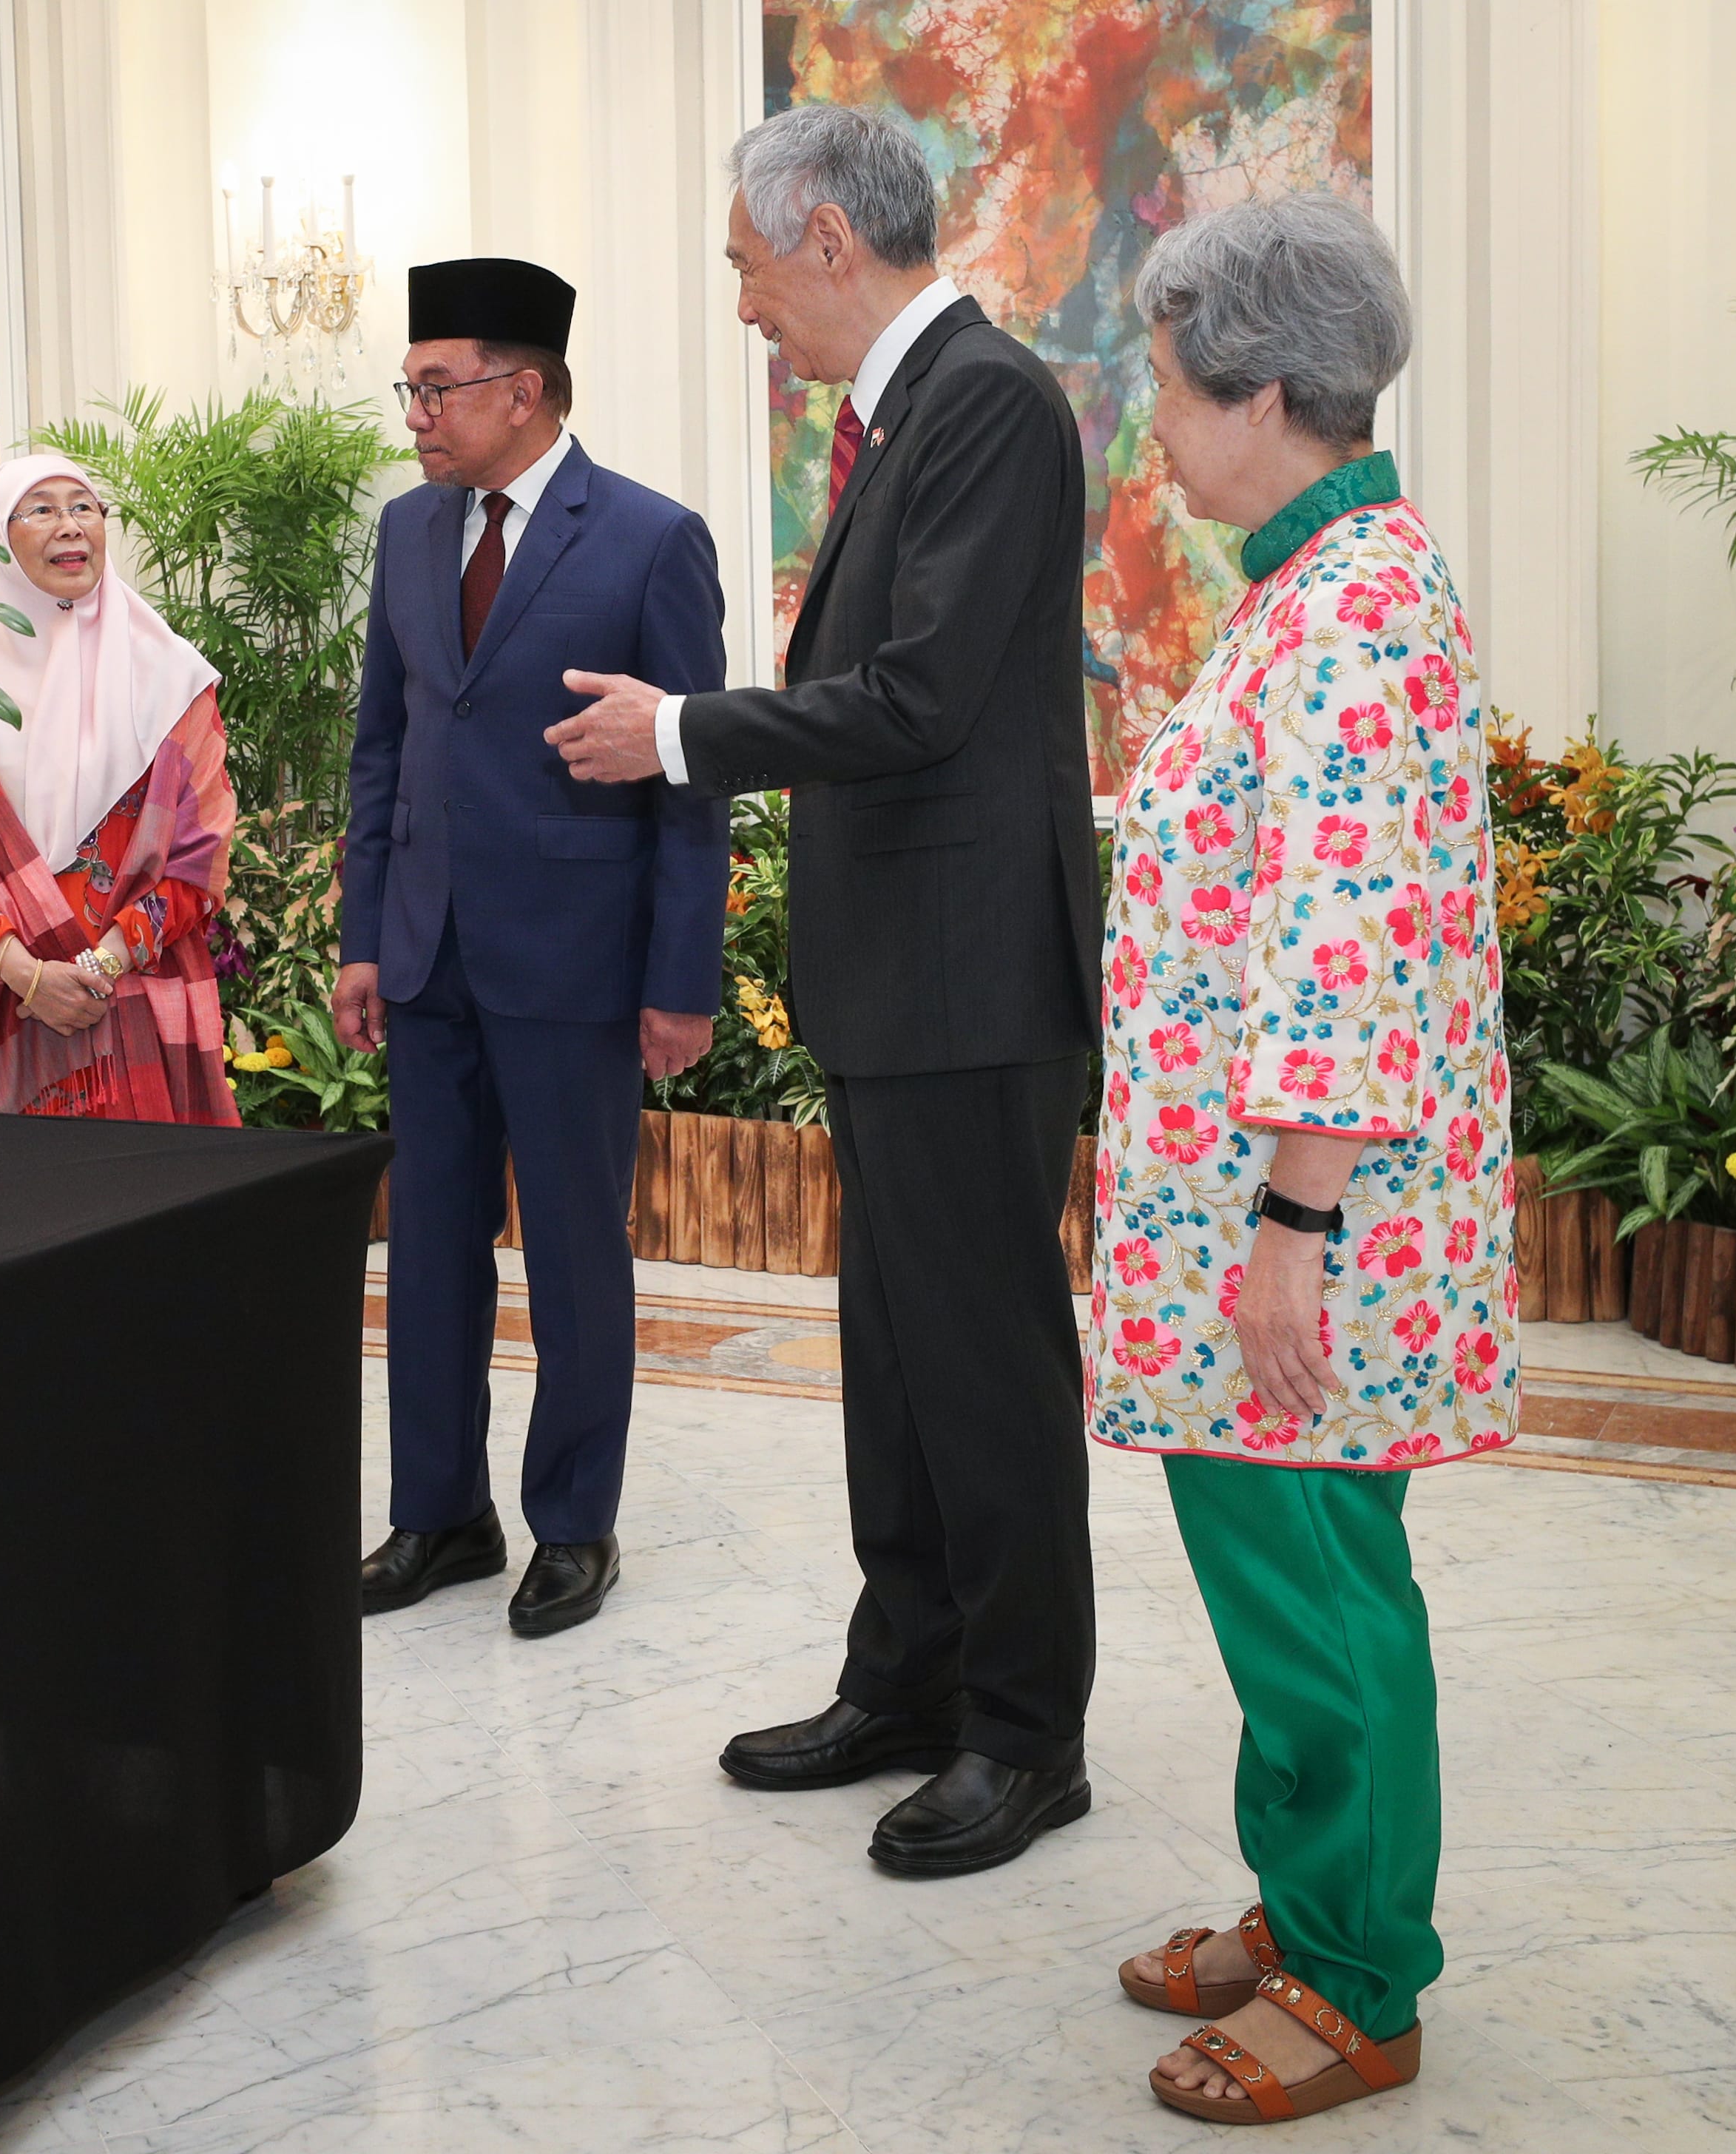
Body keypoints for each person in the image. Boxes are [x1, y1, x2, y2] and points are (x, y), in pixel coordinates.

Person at [547, 107, 1100, 1869]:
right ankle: (909, 1680)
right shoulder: (912, 414)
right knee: (894, 1359)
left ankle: (1027, 1733)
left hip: (969, 986)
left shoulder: (988, 404)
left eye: (741, 265)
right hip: (900, 984)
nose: (741, 306)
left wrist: (680, 731)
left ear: (828, 238)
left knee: (986, 1369)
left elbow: (922, 698)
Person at [1092, 194, 1510, 2127]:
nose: (1156, 430)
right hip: (1253, 1203)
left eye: (1168, 391)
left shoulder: (1348, 617)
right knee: (1290, 1590)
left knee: (1320, 1605)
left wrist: (1283, 1230)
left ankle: (1359, 1982)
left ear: (1261, 391)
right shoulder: (1310, 585)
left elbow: (1346, 949)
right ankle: (1310, 1893)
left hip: (1296, 1227)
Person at [335, 258, 729, 1639]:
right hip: (429, 956)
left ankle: (575, 1521)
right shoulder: (402, 532)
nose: (418, 414)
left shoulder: (647, 537)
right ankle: (439, 1513)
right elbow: (381, 749)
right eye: (412, 387)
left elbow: (694, 779)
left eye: (437, 387)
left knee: (573, 1252)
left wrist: (683, 977)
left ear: (527, 389)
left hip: (577, 961)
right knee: (430, 1251)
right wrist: (362, 938)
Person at [0, 454, 237, 1124]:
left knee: (156, 1203)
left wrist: (101, 968)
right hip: (10, 999)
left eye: (84, 506)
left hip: (142, 992)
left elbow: (199, 856)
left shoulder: (171, 680)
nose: (70, 526)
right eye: (42, 509)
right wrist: (27, 974)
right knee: (27, 1211)